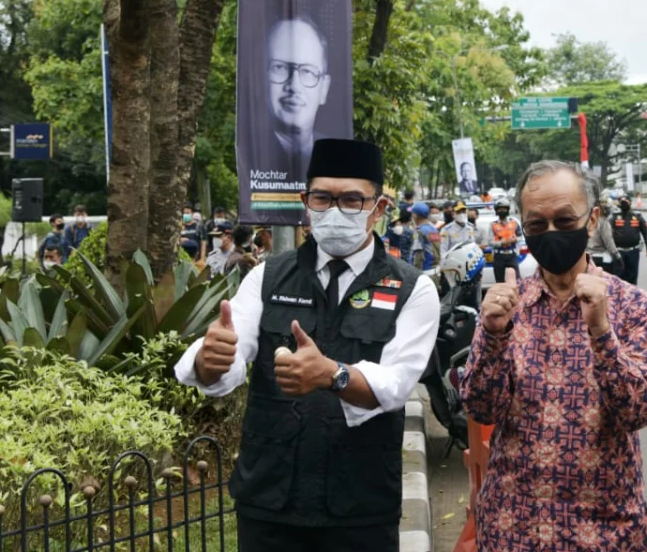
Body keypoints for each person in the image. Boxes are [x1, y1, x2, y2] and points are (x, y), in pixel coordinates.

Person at [174, 138, 440, 552]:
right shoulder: (268, 276)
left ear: (380, 208)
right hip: (269, 500)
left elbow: (396, 384)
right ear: (305, 202)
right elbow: (228, 358)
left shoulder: (412, 289)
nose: (334, 211)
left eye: (352, 200)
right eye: (322, 197)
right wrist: (210, 359)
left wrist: (332, 375)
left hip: (360, 505)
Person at [460, 160, 647, 551]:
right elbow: (480, 408)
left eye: (565, 220)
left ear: (592, 220)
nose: (551, 233)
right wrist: (492, 336)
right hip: (514, 527)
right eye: (537, 224)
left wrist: (602, 332)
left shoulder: (635, 307)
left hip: (606, 530)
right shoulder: (507, 305)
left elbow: (639, 411)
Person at [264, 17, 332, 182]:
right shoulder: (249, 151)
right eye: (279, 67)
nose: (294, 86)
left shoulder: (336, 157)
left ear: (324, 88)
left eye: (308, 71)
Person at [609, 193, 647, 285]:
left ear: (630, 203)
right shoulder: (614, 217)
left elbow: (646, 232)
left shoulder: (637, 217)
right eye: (622, 202)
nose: (624, 204)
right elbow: (606, 233)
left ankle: (632, 298)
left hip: (633, 251)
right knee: (618, 277)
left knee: (632, 276)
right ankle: (619, 298)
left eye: (626, 202)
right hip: (618, 252)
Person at [488, 198, 523, 283]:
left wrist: (514, 240)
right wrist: (501, 243)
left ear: (508, 210)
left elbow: (521, 236)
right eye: (500, 209)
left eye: (504, 208)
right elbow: (490, 242)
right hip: (499, 256)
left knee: (517, 280)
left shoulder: (514, 223)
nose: (502, 210)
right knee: (500, 281)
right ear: (496, 210)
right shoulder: (493, 225)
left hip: (512, 255)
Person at [587, 196, 623, 274]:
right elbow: (609, 242)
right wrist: (618, 257)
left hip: (587, 258)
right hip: (601, 259)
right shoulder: (603, 223)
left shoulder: (587, 220)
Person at [410, 202, 441, 271]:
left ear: (416, 215)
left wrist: (415, 272)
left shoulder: (419, 231)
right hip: (435, 270)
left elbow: (418, 255)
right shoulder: (434, 230)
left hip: (424, 271)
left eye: (412, 213)